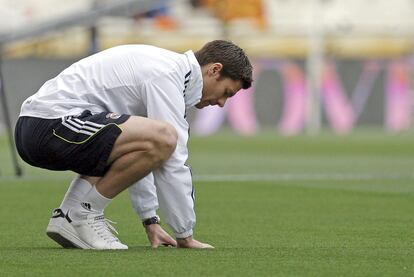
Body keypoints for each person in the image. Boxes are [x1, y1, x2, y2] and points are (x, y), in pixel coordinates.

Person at [14, 40, 253, 250]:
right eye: (227, 93)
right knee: (165, 137)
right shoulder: (167, 72)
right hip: (49, 125)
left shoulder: (169, 69)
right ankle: (85, 213)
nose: (222, 103)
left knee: (153, 139)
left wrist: (150, 220)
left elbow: (141, 154)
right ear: (214, 70)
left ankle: (67, 216)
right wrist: (185, 235)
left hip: (40, 127)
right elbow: (172, 157)